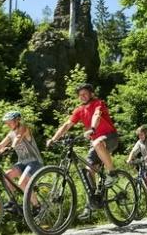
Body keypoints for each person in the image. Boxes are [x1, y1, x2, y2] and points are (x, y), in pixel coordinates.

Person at [47, 83, 119, 220]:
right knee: (88, 171)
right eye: (80, 95)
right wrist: (53, 139)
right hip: (96, 143)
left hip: (110, 137)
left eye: (85, 94)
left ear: (91, 93)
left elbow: (96, 116)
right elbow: (67, 125)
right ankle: (91, 203)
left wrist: (92, 128)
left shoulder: (99, 103)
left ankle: (112, 173)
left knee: (97, 142)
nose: (82, 97)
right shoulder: (79, 110)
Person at [0, 111, 44, 210]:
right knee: (7, 175)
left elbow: (18, 138)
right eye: (7, 122)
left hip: (34, 162)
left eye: (10, 121)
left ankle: (37, 206)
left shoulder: (23, 128)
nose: (8, 124)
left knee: (22, 182)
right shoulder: (11, 134)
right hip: (22, 163)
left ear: (17, 120)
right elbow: (1, 145)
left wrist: (11, 147)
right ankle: (12, 201)